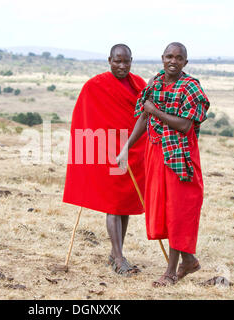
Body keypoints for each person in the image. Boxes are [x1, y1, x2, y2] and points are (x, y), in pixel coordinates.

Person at [117, 42, 210, 286]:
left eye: (179, 58)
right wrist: (125, 149)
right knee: (165, 210)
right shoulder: (155, 84)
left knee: (178, 211)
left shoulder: (191, 88)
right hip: (156, 153)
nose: (173, 61)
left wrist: (154, 111)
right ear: (162, 58)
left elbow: (184, 125)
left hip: (180, 157)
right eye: (169, 56)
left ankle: (170, 272)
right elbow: (143, 117)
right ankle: (188, 261)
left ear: (185, 63)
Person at [63, 44, 147, 276]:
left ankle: (115, 252)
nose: (122, 66)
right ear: (109, 60)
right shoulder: (95, 86)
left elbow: (144, 118)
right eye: (117, 61)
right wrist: (94, 150)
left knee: (125, 205)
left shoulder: (140, 84)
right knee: (113, 204)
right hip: (106, 153)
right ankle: (118, 258)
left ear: (131, 61)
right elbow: (85, 120)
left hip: (131, 151)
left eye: (126, 61)